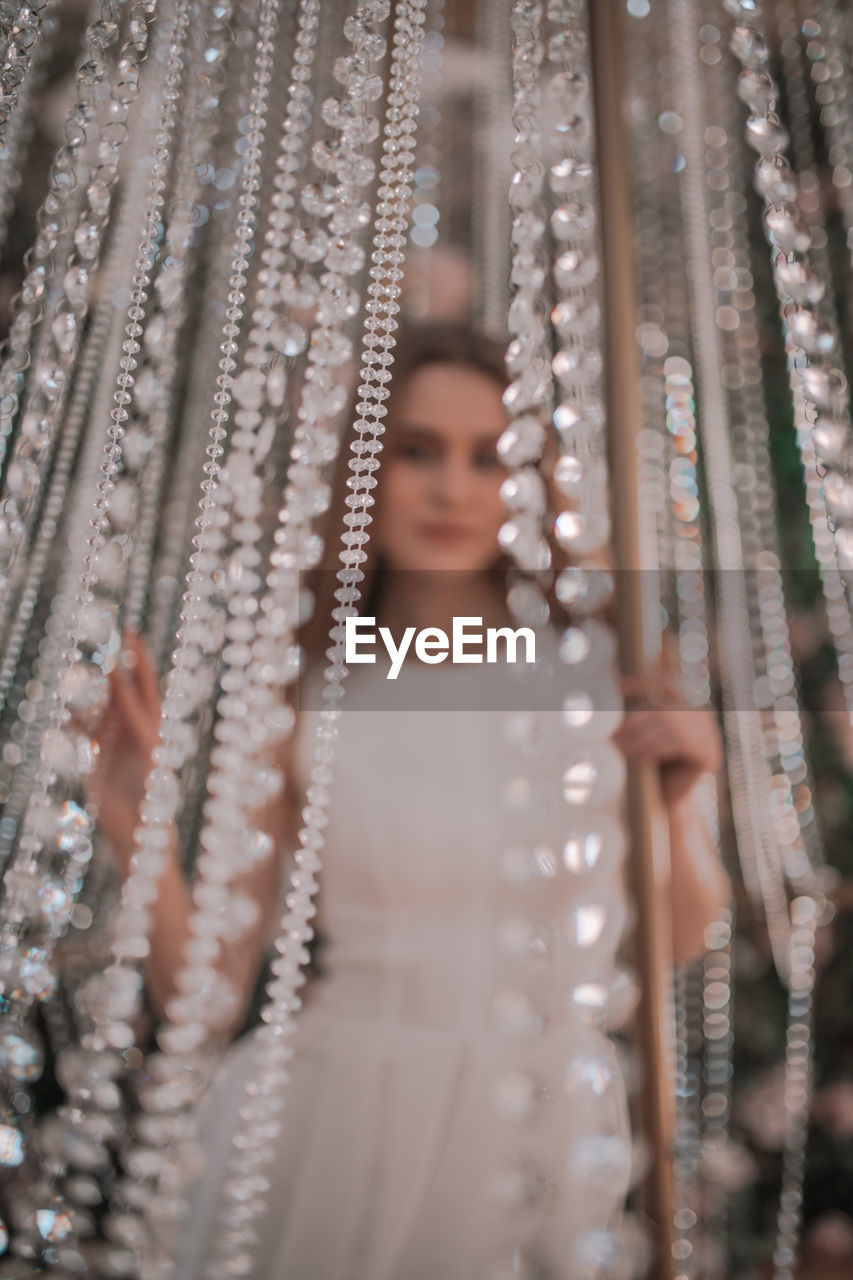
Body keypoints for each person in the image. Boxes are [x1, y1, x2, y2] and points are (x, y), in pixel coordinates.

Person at [89, 323, 729, 1277]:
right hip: (340, 1120)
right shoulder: (305, 693)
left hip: (543, 1126)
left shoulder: (598, 677)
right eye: (416, 450)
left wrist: (678, 807)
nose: (452, 489)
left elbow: (673, 940)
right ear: (364, 469)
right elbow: (207, 996)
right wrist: (134, 825)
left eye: (487, 457)